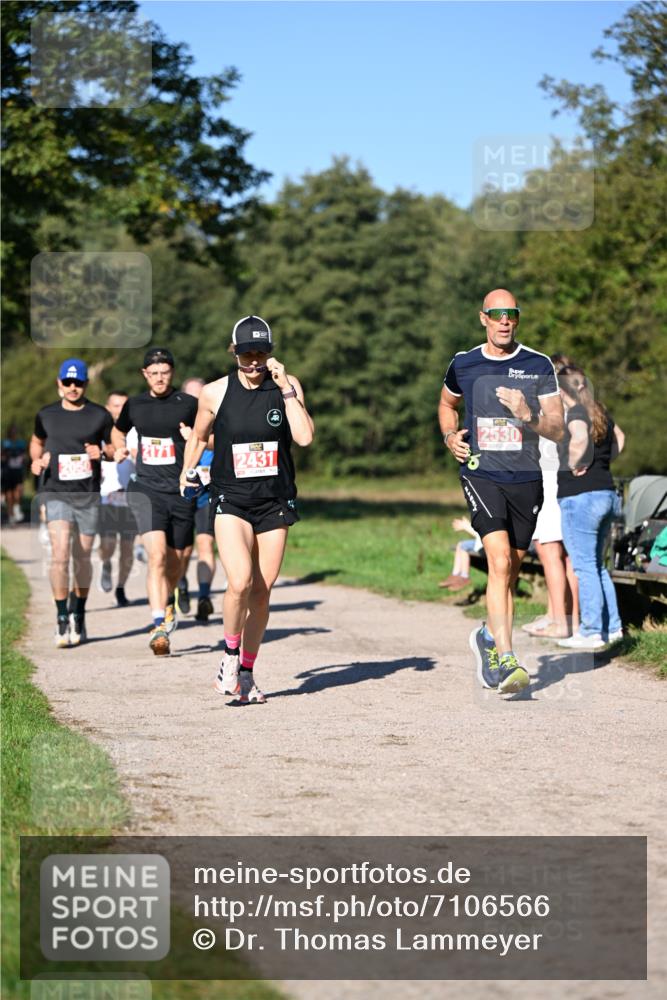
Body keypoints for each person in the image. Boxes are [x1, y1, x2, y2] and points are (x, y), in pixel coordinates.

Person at [180, 315, 314, 703]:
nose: (254, 361)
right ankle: (228, 656)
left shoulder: (286, 387)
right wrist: (187, 471)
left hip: (274, 501)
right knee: (238, 581)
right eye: (246, 354)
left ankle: (248, 673)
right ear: (233, 352)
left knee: (261, 591)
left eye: (261, 352)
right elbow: (201, 435)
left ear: (270, 353)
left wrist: (286, 387)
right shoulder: (214, 392)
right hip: (231, 499)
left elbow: (303, 437)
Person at [439, 290, 564, 692]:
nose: (504, 321)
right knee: (498, 562)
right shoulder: (464, 363)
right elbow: (446, 404)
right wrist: (448, 436)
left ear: (517, 319)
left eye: (511, 314)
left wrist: (528, 415)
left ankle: (488, 635)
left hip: (527, 479)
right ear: (483, 319)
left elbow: (558, 429)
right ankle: (508, 659)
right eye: (497, 315)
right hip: (481, 473)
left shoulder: (537, 364)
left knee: (510, 568)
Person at [111, 348, 198, 655]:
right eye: (154, 373)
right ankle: (158, 623)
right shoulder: (135, 405)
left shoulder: (188, 404)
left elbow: (211, 437)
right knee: (157, 556)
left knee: (177, 561)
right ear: (145, 374)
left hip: (181, 490)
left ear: (171, 373)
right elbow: (117, 431)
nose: (160, 378)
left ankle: (170, 599)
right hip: (146, 489)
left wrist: (195, 439)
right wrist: (119, 449)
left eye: (165, 372)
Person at [30, 359, 114, 646]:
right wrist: (36, 460)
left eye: (78, 383)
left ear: (86, 385)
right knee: (61, 553)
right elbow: (36, 442)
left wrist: (101, 452)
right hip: (55, 491)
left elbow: (115, 448)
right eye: (68, 382)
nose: (73, 387)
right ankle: (62, 616)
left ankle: (79, 611)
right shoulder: (46, 414)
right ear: (59, 384)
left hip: (88, 494)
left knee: (82, 557)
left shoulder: (100, 415)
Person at [555, 366, 625, 650]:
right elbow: (621, 438)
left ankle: (592, 631)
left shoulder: (575, 413)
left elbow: (580, 437)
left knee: (584, 567)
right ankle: (614, 628)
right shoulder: (601, 413)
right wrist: (603, 463)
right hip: (606, 493)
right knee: (597, 566)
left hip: (580, 497)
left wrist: (576, 463)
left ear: (562, 391)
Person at [523, 353, 579, 639]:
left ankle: (561, 621)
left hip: (549, 483)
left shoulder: (553, 412)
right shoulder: (577, 409)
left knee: (549, 552)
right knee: (568, 556)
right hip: (565, 483)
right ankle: (565, 618)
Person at [174, 377, 218, 621]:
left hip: (207, 493)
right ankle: (180, 583)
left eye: (201, 395)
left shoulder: (217, 420)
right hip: (181, 492)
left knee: (205, 545)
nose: (197, 400)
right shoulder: (175, 420)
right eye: (192, 396)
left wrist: (196, 437)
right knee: (182, 551)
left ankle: (204, 596)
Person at [98, 391, 136, 607]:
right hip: (107, 496)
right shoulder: (100, 432)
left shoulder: (134, 431)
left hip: (130, 495)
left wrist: (136, 454)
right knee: (108, 544)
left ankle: (121, 587)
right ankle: (105, 564)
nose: (119, 409)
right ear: (108, 407)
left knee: (128, 548)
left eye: (123, 405)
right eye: (115, 405)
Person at [438, 517, 483, 591]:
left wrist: (466, 527)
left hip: (485, 546)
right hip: (482, 543)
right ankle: (455, 575)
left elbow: (482, 536)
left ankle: (464, 576)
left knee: (464, 546)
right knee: (460, 544)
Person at [1, 424, 27, 524]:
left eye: (15, 431)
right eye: (12, 431)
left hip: (18, 470)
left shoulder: (21, 443)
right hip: (8, 471)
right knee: (10, 494)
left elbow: (25, 456)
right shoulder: (4, 443)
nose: (14, 433)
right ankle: (10, 514)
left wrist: (23, 458)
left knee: (18, 491)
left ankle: (16, 508)